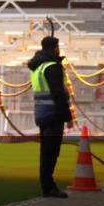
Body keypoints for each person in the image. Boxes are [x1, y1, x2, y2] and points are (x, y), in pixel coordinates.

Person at [27, 36, 74, 197]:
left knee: (46, 151)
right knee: (51, 152)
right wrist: (68, 116)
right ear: (55, 48)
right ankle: (48, 187)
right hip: (53, 114)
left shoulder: (38, 67)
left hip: (41, 113)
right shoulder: (52, 67)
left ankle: (46, 185)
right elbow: (57, 94)